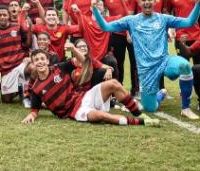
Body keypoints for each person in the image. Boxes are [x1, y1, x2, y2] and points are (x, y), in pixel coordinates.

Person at [93, 0, 200, 120]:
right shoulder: (131, 20)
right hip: (146, 70)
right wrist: (95, 10)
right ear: (139, 2)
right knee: (150, 108)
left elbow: (189, 22)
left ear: (154, 1)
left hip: (164, 61)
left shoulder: (163, 18)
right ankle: (160, 94)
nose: (147, 2)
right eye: (144, 0)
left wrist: (198, 4)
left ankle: (185, 108)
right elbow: (106, 27)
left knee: (185, 66)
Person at [21, 49, 157, 126]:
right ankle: (141, 123)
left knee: (114, 83)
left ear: (47, 61)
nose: (40, 62)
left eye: (42, 59)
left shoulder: (58, 68)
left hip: (84, 97)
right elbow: (34, 110)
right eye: (36, 60)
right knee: (102, 116)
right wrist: (31, 116)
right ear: (32, 64)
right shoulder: (36, 88)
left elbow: (83, 61)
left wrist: (73, 49)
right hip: (74, 112)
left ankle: (140, 115)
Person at [0, 4, 31, 104]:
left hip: (20, 64)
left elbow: (27, 44)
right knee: (6, 100)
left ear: (9, 16)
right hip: (6, 69)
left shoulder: (17, 27)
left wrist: (29, 29)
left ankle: (31, 91)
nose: (2, 17)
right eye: (0, 15)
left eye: (4, 15)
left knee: (33, 68)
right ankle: (19, 88)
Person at [103, 0, 138, 97]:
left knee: (135, 63)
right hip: (117, 34)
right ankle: (119, 89)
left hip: (132, 34)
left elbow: (130, 14)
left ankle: (136, 90)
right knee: (118, 63)